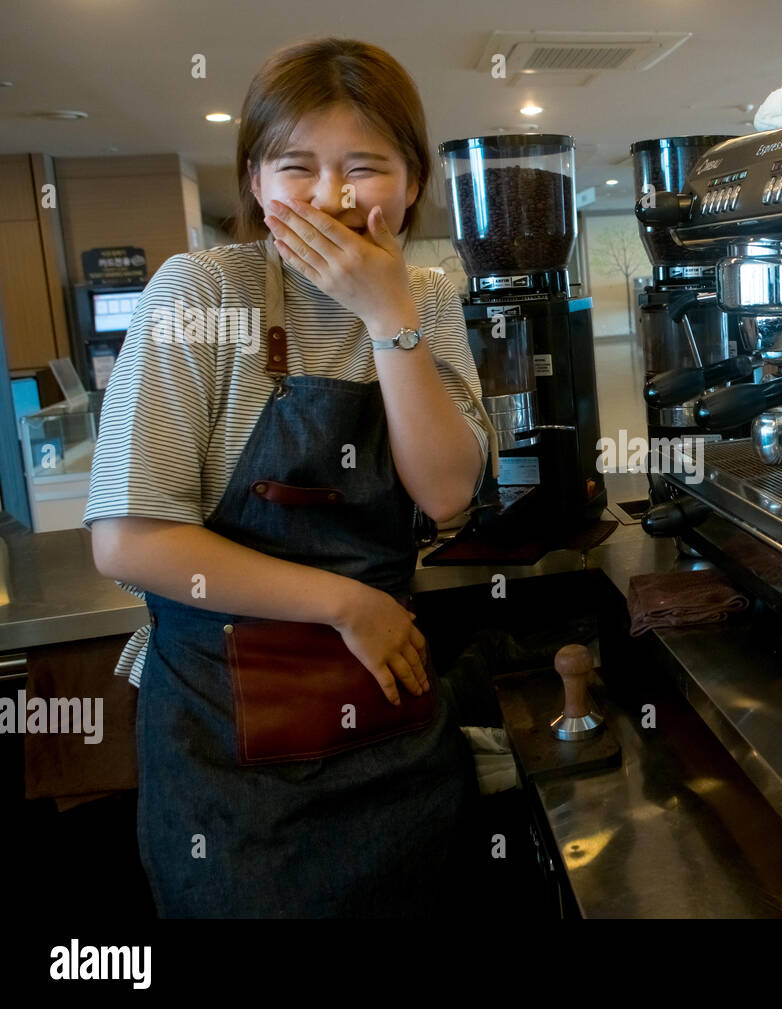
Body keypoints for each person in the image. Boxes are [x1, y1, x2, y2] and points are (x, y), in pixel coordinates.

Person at [85, 37, 490, 917]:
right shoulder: (199, 292)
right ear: (257, 180)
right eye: (297, 165)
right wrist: (345, 602)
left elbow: (449, 493)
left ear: (413, 180)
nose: (333, 197)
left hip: (393, 738)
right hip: (230, 764)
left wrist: (387, 315)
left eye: (366, 167)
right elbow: (129, 540)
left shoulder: (426, 296)